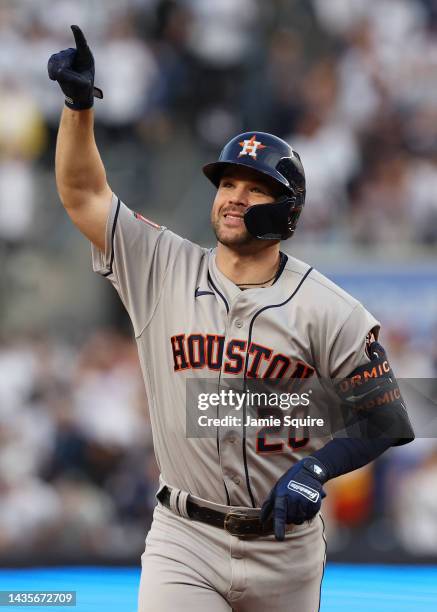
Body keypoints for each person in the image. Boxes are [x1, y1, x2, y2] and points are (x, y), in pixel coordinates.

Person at [48, 26, 414, 612]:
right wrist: (77, 108)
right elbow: (83, 194)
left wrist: (316, 470)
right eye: (228, 183)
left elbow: (388, 419)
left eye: (256, 188)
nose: (235, 196)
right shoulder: (161, 265)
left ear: (287, 214)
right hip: (184, 536)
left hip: (285, 548)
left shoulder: (328, 307)